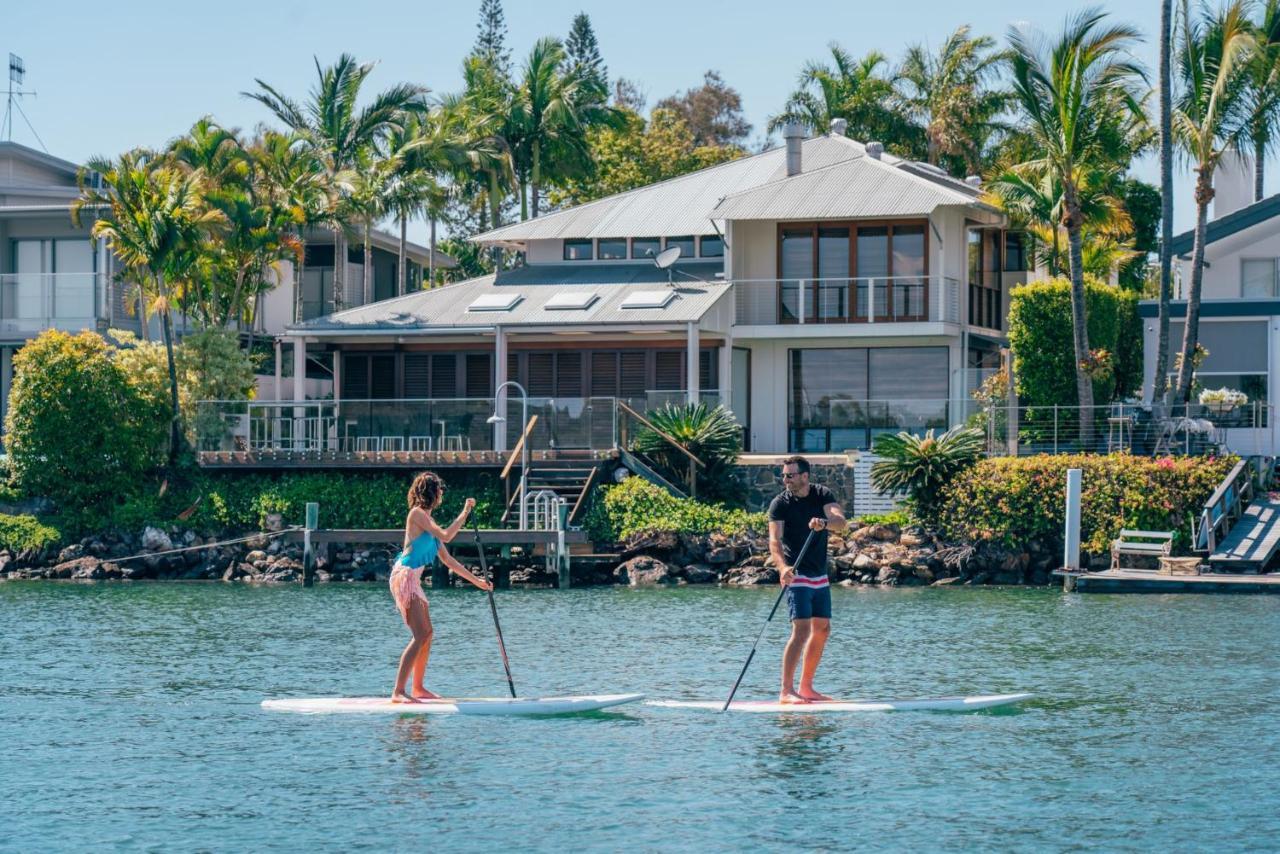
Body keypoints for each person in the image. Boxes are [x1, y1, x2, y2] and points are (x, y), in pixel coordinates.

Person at [389, 471, 491, 703]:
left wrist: (479, 583)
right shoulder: (417, 514)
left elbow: (449, 561)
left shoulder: (429, 524)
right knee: (420, 634)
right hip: (404, 577)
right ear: (431, 492)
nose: (442, 492)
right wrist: (465, 513)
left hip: (413, 579)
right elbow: (447, 536)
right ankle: (398, 691)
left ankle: (418, 688)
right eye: (439, 489)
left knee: (428, 634)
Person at [767, 455, 847, 704]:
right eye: (783, 475)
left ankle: (807, 687)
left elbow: (840, 522)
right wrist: (782, 568)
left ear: (804, 476)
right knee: (801, 630)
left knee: (822, 629)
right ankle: (786, 691)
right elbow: (774, 541)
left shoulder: (822, 494)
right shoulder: (779, 504)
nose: (786, 480)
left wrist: (824, 523)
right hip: (797, 574)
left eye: (790, 475)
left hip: (819, 574)